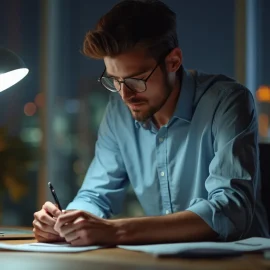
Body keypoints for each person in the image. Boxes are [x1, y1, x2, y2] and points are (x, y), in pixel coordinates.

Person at [33, 0, 269, 246]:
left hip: (244, 261)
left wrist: (116, 231)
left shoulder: (228, 102)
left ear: (173, 61)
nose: (125, 95)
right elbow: (95, 195)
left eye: (136, 79)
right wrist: (67, 222)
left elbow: (231, 209)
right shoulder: (118, 112)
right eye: (115, 80)